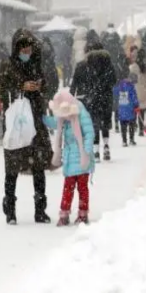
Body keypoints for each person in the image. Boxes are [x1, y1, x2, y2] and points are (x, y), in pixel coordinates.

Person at [0, 29, 53, 225]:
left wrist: (39, 86)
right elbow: (1, 91)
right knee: (12, 169)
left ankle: (40, 210)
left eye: (29, 49)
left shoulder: (36, 64)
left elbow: (48, 84)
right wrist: (20, 87)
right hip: (17, 123)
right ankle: (10, 210)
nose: (26, 53)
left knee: (38, 167)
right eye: (23, 49)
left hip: (35, 122)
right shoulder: (7, 66)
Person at [47, 90, 95, 226]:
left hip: (81, 158)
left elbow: (89, 132)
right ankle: (64, 213)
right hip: (69, 159)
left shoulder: (80, 112)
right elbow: (55, 123)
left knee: (82, 187)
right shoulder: (64, 116)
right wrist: (42, 118)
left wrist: (85, 152)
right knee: (68, 187)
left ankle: (83, 214)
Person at [70, 41, 116, 162]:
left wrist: (71, 96)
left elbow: (77, 82)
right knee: (105, 122)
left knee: (94, 123)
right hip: (106, 97)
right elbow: (114, 80)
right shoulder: (108, 63)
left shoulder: (84, 65)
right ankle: (106, 146)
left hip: (91, 98)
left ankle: (95, 152)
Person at [113, 67, 140, 147]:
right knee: (131, 124)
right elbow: (134, 97)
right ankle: (131, 139)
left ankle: (124, 141)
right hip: (130, 109)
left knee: (123, 126)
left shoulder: (119, 86)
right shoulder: (131, 86)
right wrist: (136, 105)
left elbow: (115, 93)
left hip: (122, 109)